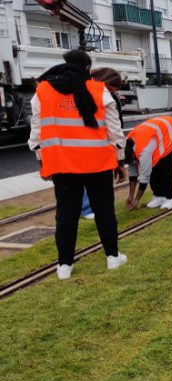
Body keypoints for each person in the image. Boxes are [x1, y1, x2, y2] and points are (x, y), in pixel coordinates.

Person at [28, 49, 128, 280]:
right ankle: (113, 257)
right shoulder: (99, 91)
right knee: (104, 210)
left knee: (66, 214)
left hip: (63, 165)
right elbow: (115, 132)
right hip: (98, 163)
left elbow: (37, 133)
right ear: (87, 68)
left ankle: (64, 266)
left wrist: (42, 161)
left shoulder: (43, 91)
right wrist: (120, 161)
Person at [81, 67, 125, 220]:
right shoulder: (101, 95)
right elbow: (115, 128)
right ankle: (87, 209)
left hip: (77, 145)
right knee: (92, 180)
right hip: (93, 145)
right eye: (111, 89)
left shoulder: (76, 87)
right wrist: (120, 158)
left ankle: (86, 208)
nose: (111, 93)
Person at [124, 116, 172, 210]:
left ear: (132, 155)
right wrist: (130, 197)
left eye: (134, 161)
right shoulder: (128, 147)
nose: (135, 163)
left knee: (164, 166)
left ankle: (170, 198)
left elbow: (145, 176)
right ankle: (158, 195)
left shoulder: (144, 151)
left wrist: (136, 200)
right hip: (159, 132)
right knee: (154, 166)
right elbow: (133, 174)